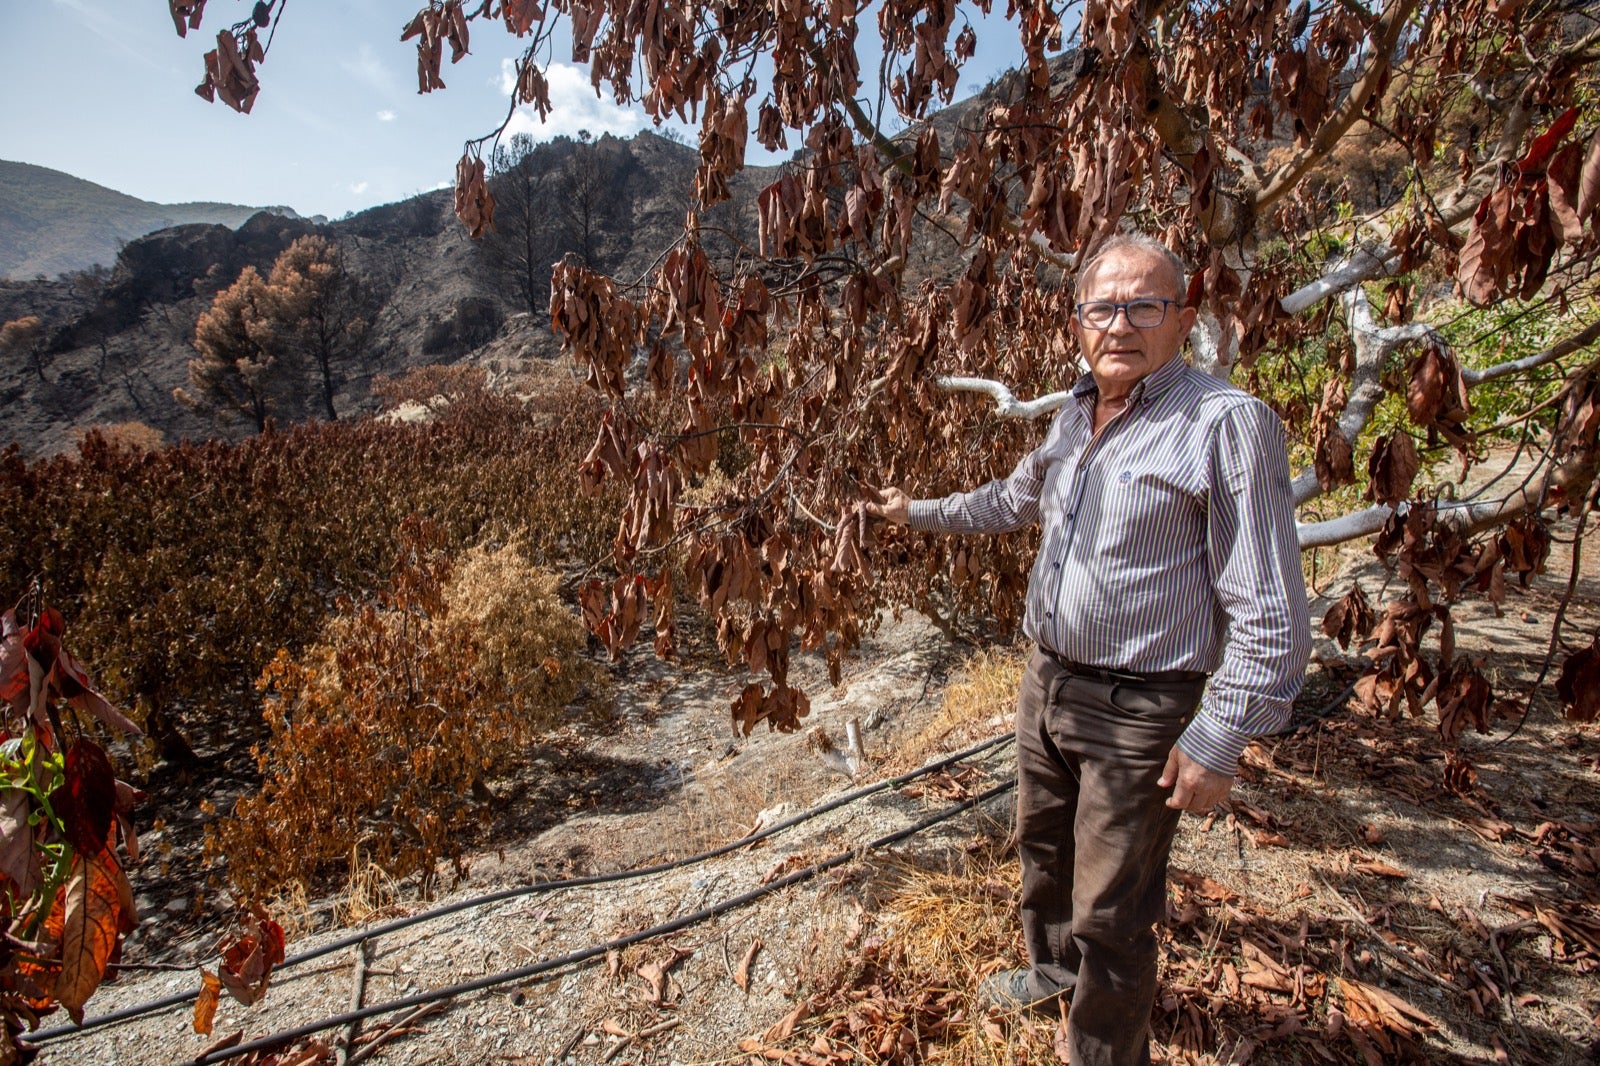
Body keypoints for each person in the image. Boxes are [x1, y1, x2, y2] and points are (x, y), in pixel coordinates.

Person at [865, 233, 1311, 1066]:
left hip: (1143, 707)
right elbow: (1009, 499)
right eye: (1102, 306)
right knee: (1042, 846)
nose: (1121, 323)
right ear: (1077, 323)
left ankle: (1102, 1050)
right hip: (1048, 681)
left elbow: (1270, 606)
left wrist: (1219, 739)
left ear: (1183, 318)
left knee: (1115, 904)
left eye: (1145, 304)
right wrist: (912, 511)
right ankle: (1053, 971)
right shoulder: (1075, 414)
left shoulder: (1227, 424)